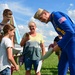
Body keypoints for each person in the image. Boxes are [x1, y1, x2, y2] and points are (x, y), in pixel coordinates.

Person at [34, 8, 75, 75]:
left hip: (72, 42)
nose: (41, 21)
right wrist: (56, 44)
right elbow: (65, 34)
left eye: (41, 18)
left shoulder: (56, 15)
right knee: (61, 67)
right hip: (67, 43)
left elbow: (70, 32)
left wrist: (59, 45)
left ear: (45, 13)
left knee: (73, 67)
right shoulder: (53, 20)